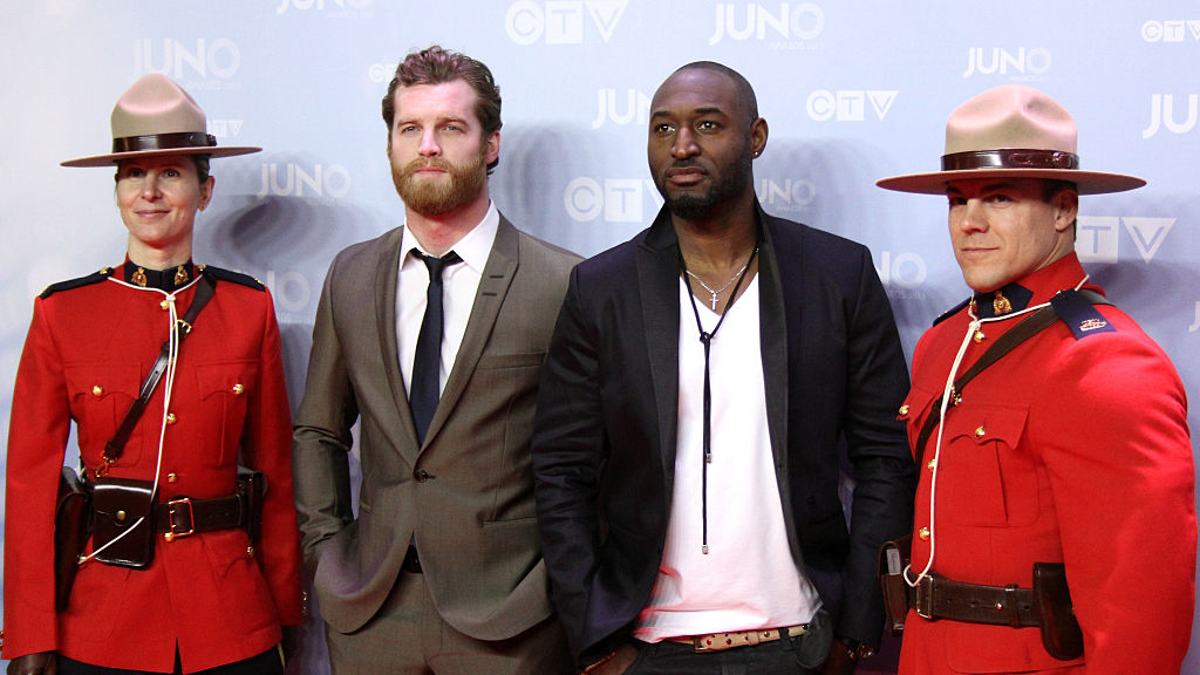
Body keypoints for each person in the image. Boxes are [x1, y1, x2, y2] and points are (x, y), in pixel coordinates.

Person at [532, 61, 916, 675]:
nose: (682, 146)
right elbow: (560, 470)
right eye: (663, 129)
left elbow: (887, 456)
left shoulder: (837, 276)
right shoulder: (601, 289)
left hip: (804, 642)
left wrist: (855, 633)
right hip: (649, 648)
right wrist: (595, 641)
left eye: (707, 125)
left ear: (756, 137)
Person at [876, 84, 1196, 674]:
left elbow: (1140, 605)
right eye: (956, 200)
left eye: (998, 198)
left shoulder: (1107, 365)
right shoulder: (943, 341)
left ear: (1064, 209)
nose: (970, 223)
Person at [291, 45, 578, 674]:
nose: (428, 146)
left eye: (451, 127)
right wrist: (327, 553)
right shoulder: (351, 275)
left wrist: (559, 587)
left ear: (491, 144)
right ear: (391, 143)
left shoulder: (561, 281)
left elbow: (601, 456)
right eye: (410, 128)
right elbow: (318, 429)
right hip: (371, 612)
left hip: (512, 620)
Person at [2, 74, 303, 674]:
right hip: (105, 622)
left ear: (205, 189)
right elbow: (30, 491)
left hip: (231, 619)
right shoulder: (62, 313)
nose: (151, 192)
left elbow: (276, 476)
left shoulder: (248, 310)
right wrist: (28, 635)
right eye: (134, 174)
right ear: (117, 190)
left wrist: (286, 613)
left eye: (171, 173)